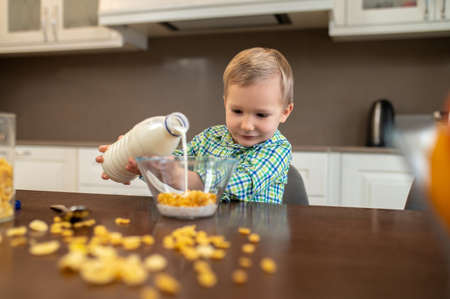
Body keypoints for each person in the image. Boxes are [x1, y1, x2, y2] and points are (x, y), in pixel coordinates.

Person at [97, 47, 294, 204]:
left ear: (285, 112)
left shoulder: (278, 149)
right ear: (226, 103)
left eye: (261, 114)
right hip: (205, 231)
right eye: (237, 111)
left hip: (256, 239)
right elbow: (174, 161)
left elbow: (241, 183)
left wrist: (178, 176)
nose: (247, 125)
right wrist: (142, 162)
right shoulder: (210, 137)